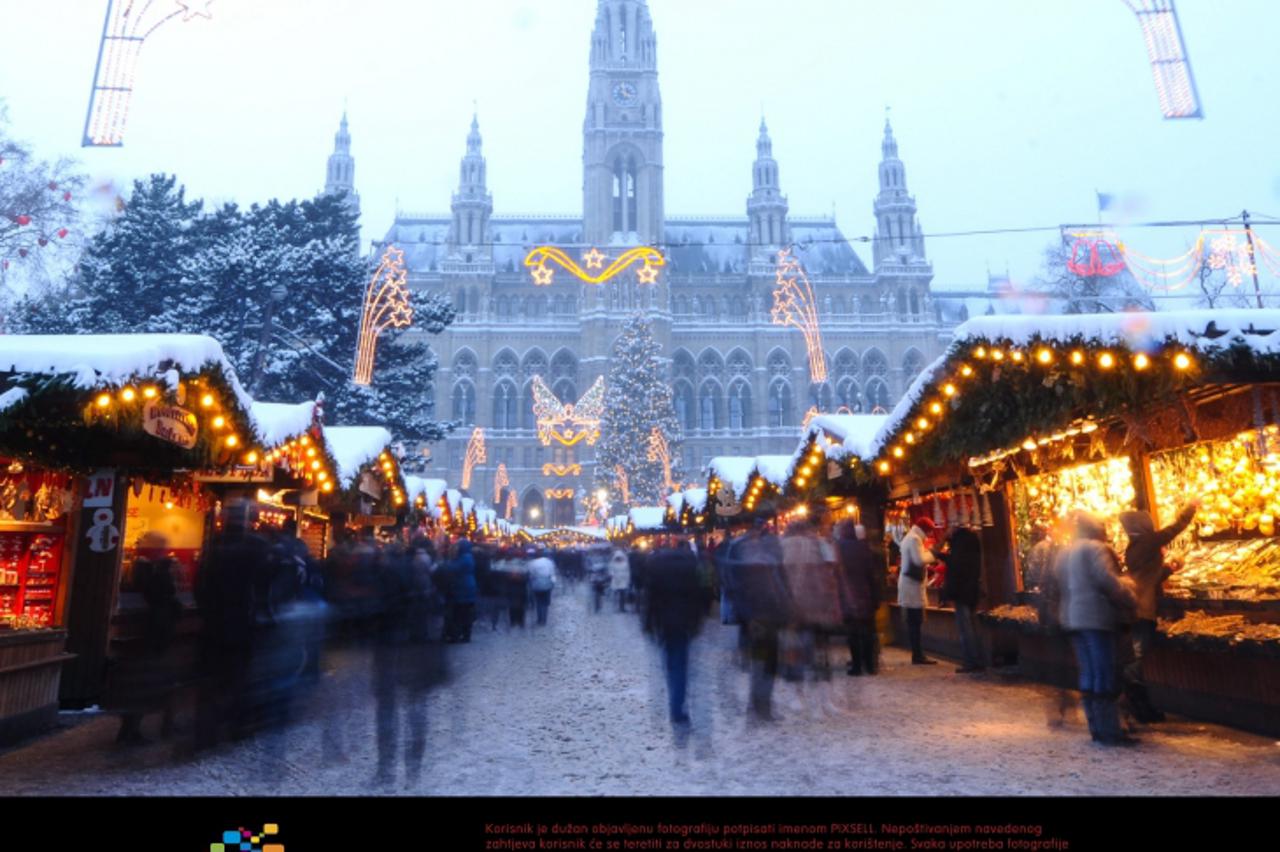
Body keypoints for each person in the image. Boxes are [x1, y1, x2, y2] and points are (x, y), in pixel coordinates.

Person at [192, 501, 270, 752]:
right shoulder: (255, 547)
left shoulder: (214, 546)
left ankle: (206, 732)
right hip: (242, 625)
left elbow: (200, 585)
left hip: (215, 624)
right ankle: (238, 725)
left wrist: (207, 612)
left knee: (212, 680)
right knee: (239, 676)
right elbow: (264, 586)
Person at [1057, 511, 1139, 746]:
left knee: (1088, 673)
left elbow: (1058, 581)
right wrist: (1129, 594)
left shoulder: (1066, 552)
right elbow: (1106, 580)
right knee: (1103, 672)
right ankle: (1109, 731)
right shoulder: (1095, 549)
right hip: (1095, 617)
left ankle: (1095, 727)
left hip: (1073, 618)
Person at [1118, 501, 1197, 724]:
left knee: (1135, 660)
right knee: (1135, 661)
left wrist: (1169, 569)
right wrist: (1190, 509)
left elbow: (1148, 578)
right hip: (1141, 611)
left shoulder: (1135, 546)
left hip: (1137, 607)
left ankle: (1140, 708)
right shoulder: (1147, 541)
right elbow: (1173, 530)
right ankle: (1133, 705)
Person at [111, 532, 182, 744]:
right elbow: (161, 595)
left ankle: (134, 727)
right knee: (145, 682)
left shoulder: (151, 568)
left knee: (145, 682)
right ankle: (132, 728)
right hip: (152, 633)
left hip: (150, 633)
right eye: (161, 547)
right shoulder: (149, 569)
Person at [724, 519, 788, 721]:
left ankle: (760, 705)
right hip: (762, 615)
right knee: (765, 661)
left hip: (758, 614)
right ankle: (761, 707)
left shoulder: (740, 549)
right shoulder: (763, 551)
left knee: (765, 661)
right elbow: (780, 581)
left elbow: (732, 584)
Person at [643, 542, 705, 729]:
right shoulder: (690, 568)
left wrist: (649, 623)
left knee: (669, 661)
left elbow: (650, 598)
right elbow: (698, 597)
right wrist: (697, 622)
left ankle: (674, 699)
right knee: (681, 665)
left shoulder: (657, 568)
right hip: (683, 622)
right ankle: (677, 708)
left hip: (664, 621)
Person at [837, 522, 880, 677]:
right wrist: (875, 597)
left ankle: (856, 666)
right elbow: (871, 575)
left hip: (848, 596)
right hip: (865, 596)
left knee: (853, 633)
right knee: (867, 631)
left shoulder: (839, 547)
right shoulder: (863, 548)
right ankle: (869, 665)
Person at [943, 522, 985, 673]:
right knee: (973, 626)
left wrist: (943, 554)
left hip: (962, 591)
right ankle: (979, 659)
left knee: (965, 627)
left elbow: (956, 566)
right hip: (972, 589)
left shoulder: (959, 542)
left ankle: (970, 661)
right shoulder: (973, 539)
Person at [898, 516, 938, 665]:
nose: (928, 535)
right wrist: (933, 554)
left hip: (909, 585)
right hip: (912, 586)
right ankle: (918, 654)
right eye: (928, 531)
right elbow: (919, 560)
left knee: (913, 621)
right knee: (915, 621)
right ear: (924, 530)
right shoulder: (915, 539)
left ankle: (917, 653)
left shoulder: (910, 537)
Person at [442, 540, 478, 643]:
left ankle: (458, 635)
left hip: (463, 589)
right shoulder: (468, 557)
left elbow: (452, 568)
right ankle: (465, 635)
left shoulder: (464, 558)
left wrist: (446, 563)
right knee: (466, 613)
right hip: (468, 587)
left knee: (459, 614)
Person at [528, 548, 557, 626]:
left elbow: (531, 574)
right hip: (547, 583)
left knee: (538, 602)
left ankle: (540, 619)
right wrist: (553, 584)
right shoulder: (549, 562)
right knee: (545, 602)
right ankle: (544, 619)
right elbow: (552, 573)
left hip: (537, 584)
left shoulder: (533, 563)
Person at [608, 546, 632, 612]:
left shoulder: (625, 563)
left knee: (622, 595)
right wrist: (612, 575)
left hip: (623, 580)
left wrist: (628, 579)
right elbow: (611, 570)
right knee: (615, 595)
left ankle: (622, 607)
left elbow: (628, 571)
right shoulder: (613, 563)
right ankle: (615, 607)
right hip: (616, 580)